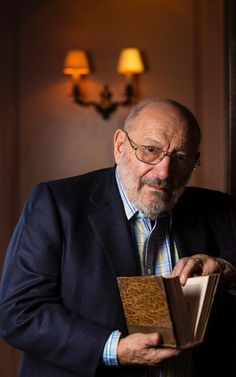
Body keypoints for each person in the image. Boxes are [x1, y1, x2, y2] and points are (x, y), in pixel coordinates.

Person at [0, 97, 236, 377]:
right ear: (120, 145)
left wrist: (227, 270)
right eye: (151, 150)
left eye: (181, 158)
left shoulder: (220, 209)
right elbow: (19, 313)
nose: (164, 172)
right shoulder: (56, 203)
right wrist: (114, 349)